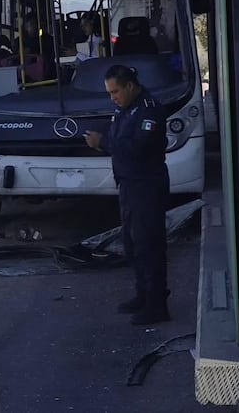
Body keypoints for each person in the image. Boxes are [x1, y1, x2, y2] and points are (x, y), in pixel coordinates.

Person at [83, 65, 170, 325]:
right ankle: (143, 294)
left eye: (116, 92)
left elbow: (138, 147)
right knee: (133, 245)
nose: (113, 98)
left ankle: (157, 304)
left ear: (130, 86)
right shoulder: (124, 109)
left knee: (149, 245)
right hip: (129, 184)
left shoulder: (149, 110)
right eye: (110, 93)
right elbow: (119, 138)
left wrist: (102, 142)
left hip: (147, 185)